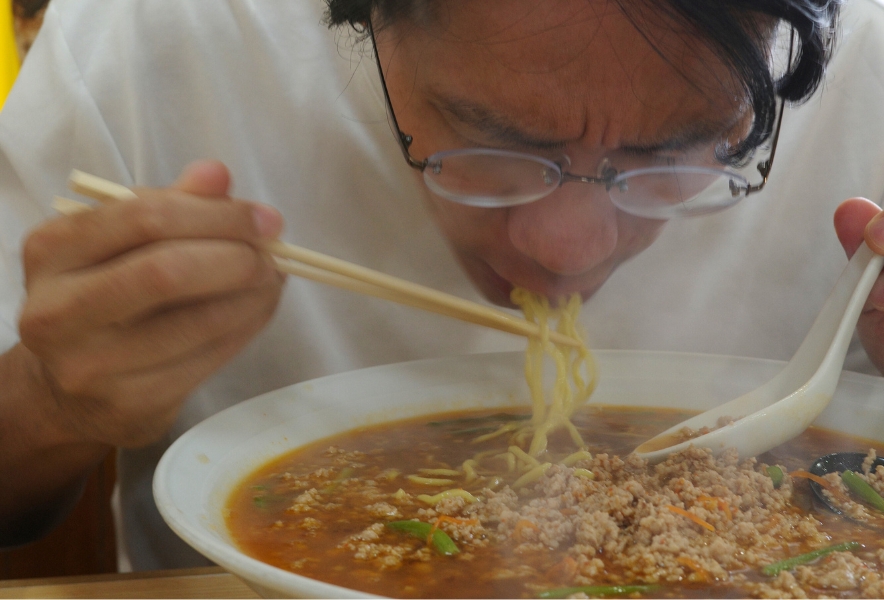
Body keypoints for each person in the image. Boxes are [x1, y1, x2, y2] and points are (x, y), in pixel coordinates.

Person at [1, 0, 883, 571]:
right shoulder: (159, 41)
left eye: (672, 158)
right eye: (495, 143)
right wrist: (50, 404)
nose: (569, 252)